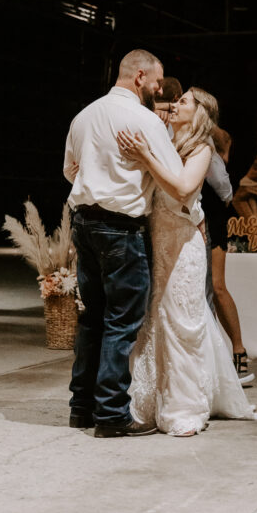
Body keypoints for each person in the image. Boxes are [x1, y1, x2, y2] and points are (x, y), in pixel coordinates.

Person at [63, 49, 203, 438]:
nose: (160, 90)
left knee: (91, 318)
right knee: (121, 322)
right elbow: (174, 181)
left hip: (84, 224)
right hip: (121, 228)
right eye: (157, 82)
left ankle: (81, 407)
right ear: (140, 76)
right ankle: (110, 414)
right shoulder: (143, 121)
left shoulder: (83, 116)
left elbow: (69, 170)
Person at [116, 87, 257, 436]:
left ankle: (185, 405)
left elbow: (183, 190)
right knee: (155, 319)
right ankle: (150, 400)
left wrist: (146, 156)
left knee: (183, 319)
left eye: (183, 100)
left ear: (199, 113)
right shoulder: (164, 143)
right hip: (157, 240)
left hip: (184, 247)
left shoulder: (202, 149)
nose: (175, 104)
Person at [202, 127, 254, 385]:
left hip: (211, 218)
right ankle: (217, 356)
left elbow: (224, 186)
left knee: (216, 287)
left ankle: (238, 349)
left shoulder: (209, 138)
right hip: (193, 219)